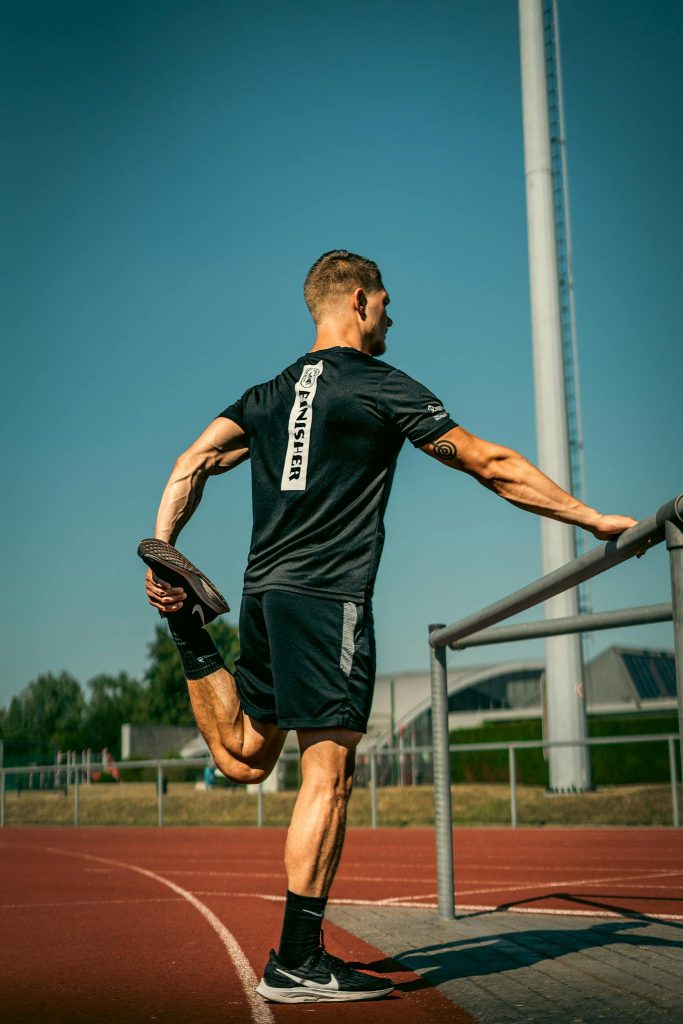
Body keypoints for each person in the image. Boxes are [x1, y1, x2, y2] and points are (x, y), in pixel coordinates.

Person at [142, 249, 636, 1003]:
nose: (392, 318)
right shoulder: (376, 384)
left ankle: (187, 630)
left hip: (265, 595)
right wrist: (590, 517)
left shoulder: (267, 396)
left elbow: (192, 461)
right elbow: (488, 462)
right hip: (327, 598)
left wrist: (166, 552)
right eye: (387, 304)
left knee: (244, 757)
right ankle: (298, 960)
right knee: (328, 773)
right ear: (360, 301)